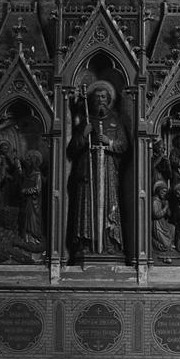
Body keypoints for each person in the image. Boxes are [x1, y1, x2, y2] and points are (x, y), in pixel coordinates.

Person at [68, 80, 129, 255]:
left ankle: (109, 244)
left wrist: (108, 142)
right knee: (87, 205)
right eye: (96, 97)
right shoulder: (86, 120)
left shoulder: (115, 121)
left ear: (109, 99)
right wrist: (83, 135)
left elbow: (124, 146)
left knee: (109, 203)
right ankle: (86, 244)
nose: (100, 100)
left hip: (108, 170)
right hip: (88, 170)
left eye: (103, 97)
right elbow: (72, 149)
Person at [18, 150, 45, 245]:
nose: (27, 162)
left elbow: (38, 189)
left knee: (32, 220)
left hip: (34, 203)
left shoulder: (37, 174)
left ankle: (33, 238)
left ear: (33, 161)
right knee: (25, 219)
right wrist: (17, 164)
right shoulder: (28, 173)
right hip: (26, 201)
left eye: (29, 160)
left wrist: (26, 191)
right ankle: (26, 238)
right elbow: (22, 176)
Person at [150, 180, 173, 252]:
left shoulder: (161, 201)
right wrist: (165, 207)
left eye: (166, 192)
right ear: (158, 191)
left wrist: (167, 207)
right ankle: (150, 240)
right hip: (157, 224)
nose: (164, 194)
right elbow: (156, 215)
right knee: (165, 246)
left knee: (173, 228)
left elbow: (169, 215)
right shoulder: (154, 201)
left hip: (162, 223)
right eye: (163, 192)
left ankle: (170, 244)